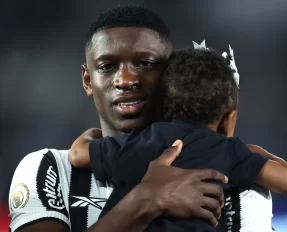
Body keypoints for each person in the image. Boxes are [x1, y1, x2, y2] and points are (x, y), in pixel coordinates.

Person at [8, 6, 228, 232]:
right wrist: (146, 200)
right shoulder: (50, 168)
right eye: (107, 66)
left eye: (146, 63)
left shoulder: (222, 175)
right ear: (87, 80)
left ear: (170, 75)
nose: (125, 80)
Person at [69, 47, 287, 232]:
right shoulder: (228, 151)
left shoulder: (141, 140)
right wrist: (254, 150)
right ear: (229, 118)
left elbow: (77, 154)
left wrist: (95, 134)